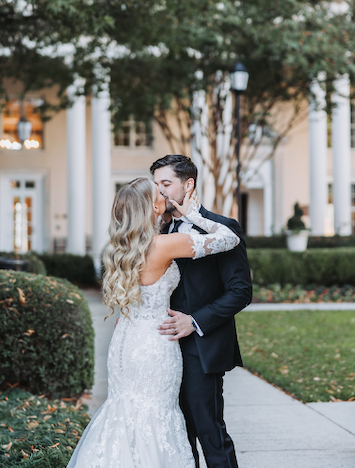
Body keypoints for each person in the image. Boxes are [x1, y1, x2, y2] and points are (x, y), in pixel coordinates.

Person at [66, 177, 240, 467]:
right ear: (153, 207)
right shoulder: (164, 245)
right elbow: (229, 238)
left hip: (125, 343)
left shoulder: (119, 247)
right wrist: (192, 215)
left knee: (124, 414)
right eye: (158, 192)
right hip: (154, 346)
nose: (164, 193)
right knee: (156, 416)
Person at [152, 154, 252, 468]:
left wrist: (195, 321)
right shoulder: (158, 231)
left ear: (189, 184)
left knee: (210, 432)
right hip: (161, 350)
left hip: (201, 348)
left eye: (166, 184)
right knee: (177, 438)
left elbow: (241, 291)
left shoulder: (224, 228)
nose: (160, 192)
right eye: (156, 185)